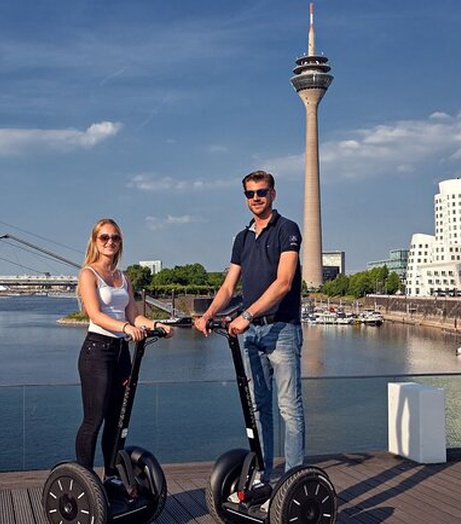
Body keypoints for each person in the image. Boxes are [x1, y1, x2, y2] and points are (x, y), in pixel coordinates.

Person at [194, 170, 305, 479]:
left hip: (281, 329)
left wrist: (246, 315)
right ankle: (263, 474)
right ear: (245, 198)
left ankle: (294, 478)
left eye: (261, 192)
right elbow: (229, 286)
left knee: (289, 408)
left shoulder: (287, 229)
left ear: (273, 194)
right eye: (250, 193)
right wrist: (208, 314)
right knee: (258, 407)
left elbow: (284, 283)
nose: (256, 198)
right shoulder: (242, 238)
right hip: (252, 333)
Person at [74, 218, 173, 478]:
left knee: (117, 420)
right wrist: (126, 328)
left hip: (121, 353)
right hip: (97, 352)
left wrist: (157, 324)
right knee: (94, 420)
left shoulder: (123, 278)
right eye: (104, 237)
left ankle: (111, 476)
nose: (110, 242)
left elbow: (134, 316)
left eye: (115, 237)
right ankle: (85, 480)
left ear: (120, 243)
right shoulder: (89, 274)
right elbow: (95, 314)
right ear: (95, 241)